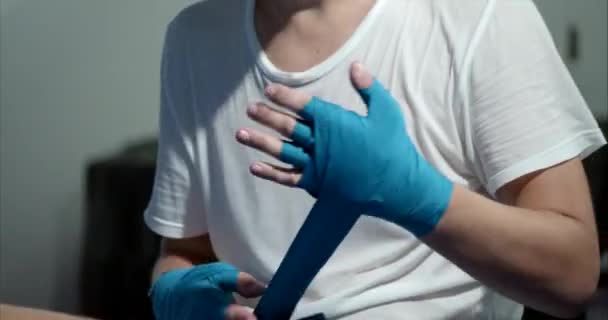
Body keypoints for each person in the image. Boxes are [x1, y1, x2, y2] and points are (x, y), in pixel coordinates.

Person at [144, 0, 607, 319]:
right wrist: (174, 293)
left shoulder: (477, 15)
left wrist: (419, 197)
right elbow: (185, 252)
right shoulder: (194, 39)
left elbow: (572, 275)